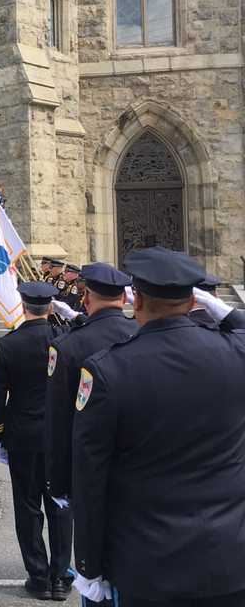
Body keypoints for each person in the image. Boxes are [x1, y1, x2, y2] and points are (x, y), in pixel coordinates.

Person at [72, 247, 245, 607]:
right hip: (229, 560)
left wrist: (88, 564)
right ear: (193, 299)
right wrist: (228, 313)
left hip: (148, 565)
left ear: (136, 301)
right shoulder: (234, 353)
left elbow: (90, 480)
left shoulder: (107, 371)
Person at [0, 282, 73, 602]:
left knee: (28, 508)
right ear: (51, 307)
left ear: (23, 306)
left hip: (22, 435)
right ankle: (61, 576)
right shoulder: (63, 341)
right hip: (58, 435)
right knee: (60, 506)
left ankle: (38, 576)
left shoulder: (8, 345)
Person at [45, 263, 136, 502]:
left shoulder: (66, 346)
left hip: (89, 469)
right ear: (124, 297)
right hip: (140, 464)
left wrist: (58, 482)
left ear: (85, 298)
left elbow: (59, 418)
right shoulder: (140, 332)